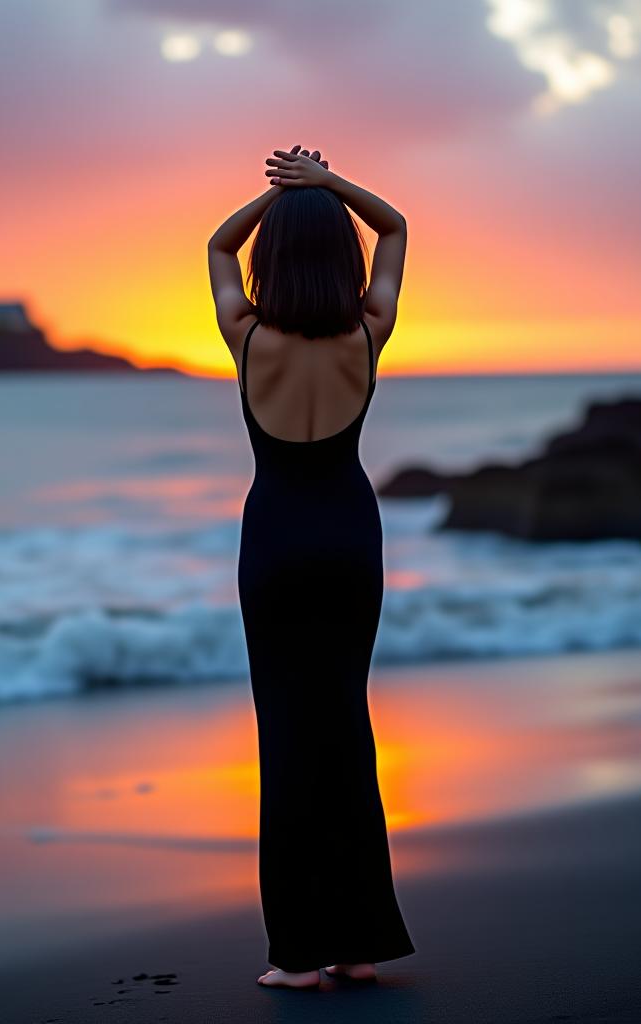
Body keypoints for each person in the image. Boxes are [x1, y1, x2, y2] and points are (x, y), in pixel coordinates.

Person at [208, 145, 415, 990]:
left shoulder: (246, 333)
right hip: (349, 540)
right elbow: (396, 225)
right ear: (342, 252)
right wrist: (327, 187)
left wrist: (276, 198)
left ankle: (295, 955)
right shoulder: (369, 330)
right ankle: (357, 946)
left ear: (273, 259)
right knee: (345, 732)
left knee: (288, 741)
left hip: (276, 543)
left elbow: (216, 248)